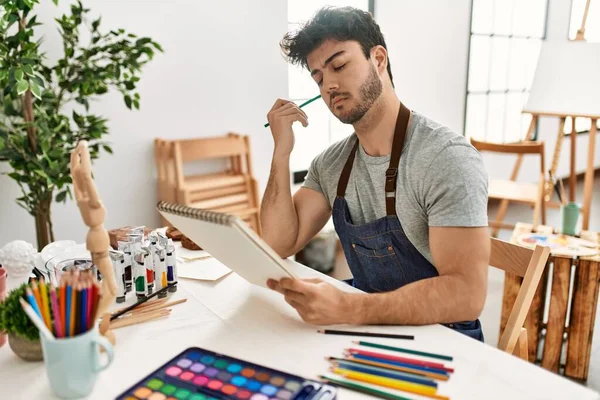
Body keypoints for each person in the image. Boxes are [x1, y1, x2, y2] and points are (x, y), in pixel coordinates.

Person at [260, 6, 490, 341]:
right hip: (367, 329)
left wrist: (350, 309)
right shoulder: (331, 164)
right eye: (319, 77)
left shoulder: (446, 158)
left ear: (378, 59)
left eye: (339, 65)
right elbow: (277, 243)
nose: (329, 85)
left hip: (444, 339)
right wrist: (281, 153)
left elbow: (467, 295)